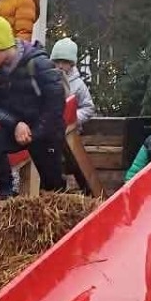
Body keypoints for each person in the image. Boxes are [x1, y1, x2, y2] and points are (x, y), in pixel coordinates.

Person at [0, 15, 68, 198]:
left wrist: (35, 132)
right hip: (20, 128)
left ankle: (59, 206)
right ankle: (6, 194)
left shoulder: (39, 64)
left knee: (52, 185)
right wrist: (16, 125)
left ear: (0, 46)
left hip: (46, 131)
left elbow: (56, 104)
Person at [48, 37, 102, 198]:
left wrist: (74, 118)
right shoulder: (48, 79)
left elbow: (88, 107)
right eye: (57, 61)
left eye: (64, 62)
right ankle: (53, 186)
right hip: (51, 127)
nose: (60, 66)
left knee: (67, 159)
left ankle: (62, 186)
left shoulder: (78, 85)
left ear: (72, 64)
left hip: (69, 130)